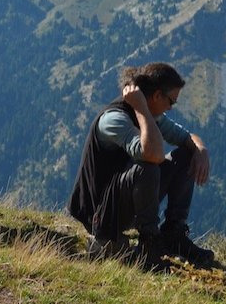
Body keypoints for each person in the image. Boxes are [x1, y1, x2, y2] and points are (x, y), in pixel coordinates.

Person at [68, 62, 214, 270]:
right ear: (156, 96)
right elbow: (152, 155)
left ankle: (173, 234)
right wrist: (142, 111)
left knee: (185, 155)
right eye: (171, 101)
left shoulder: (151, 115)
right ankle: (149, 246)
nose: (171, 108)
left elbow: (187, 137)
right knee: (148, 167)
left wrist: (201, 151)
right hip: (101, 213)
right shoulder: (114, 119)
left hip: (125, 198)